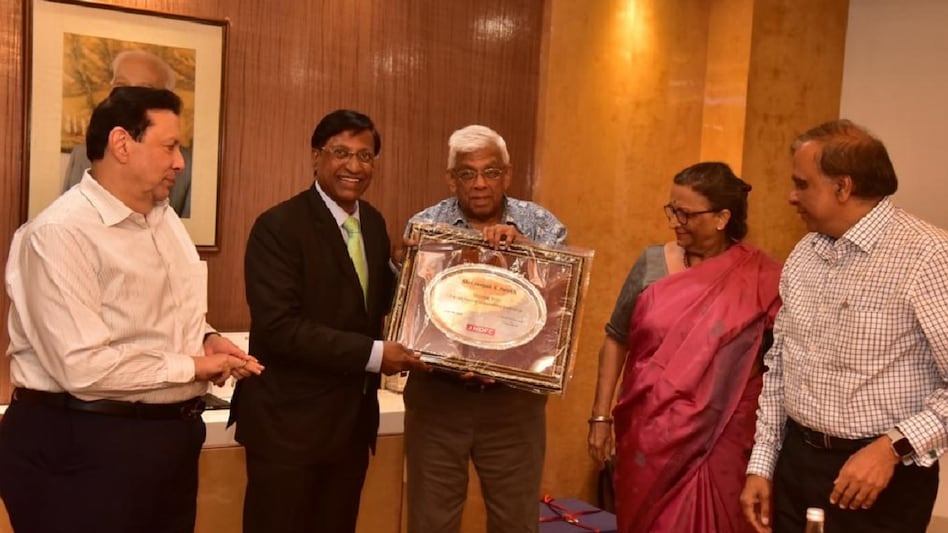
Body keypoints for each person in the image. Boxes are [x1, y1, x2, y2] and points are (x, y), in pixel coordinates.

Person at [0, 86, 261, 533]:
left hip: (167, 442)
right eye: (171, 146)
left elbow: (173, 316)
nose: (180, 163)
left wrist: (208, 338)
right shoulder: (60, 234)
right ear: (122, 144)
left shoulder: (165, 222)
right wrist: (196, 365)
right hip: (80, 447)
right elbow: (82, 368)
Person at [740, 119, 948, 533]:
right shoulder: (804, 254)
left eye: (802, 184)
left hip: (878, 479)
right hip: (797, 464)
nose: (791, 196)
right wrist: (762, 462)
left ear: (843, 187)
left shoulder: (928, 256)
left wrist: (892, 447)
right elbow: (780, 364)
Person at [232, 109, 429, 533]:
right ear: (316, 156)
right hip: (288, 429)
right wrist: (376, 355)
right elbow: (280, 327)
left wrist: (421, 273)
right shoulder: (278, 227)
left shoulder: (373, 224)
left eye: (366, 156)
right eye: (341, 153)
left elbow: (371, 307)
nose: (355, 167)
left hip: (351, 428)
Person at [585, 162, 781, 532]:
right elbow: (616, 338)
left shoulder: (761, 277)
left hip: (721, 437)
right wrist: (600, 417)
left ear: (723, 217)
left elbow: (779, 363)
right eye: (671, 209)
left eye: (686, 213)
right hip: (648, 436)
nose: (674, 221)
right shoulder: (651, 263)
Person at [402, 124, 567, 533]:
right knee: (431, 521)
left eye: (490, 172)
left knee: (515, 521)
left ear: (507, 174)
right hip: (439, 397)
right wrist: (405, 264)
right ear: (450, 178)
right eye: (466, 173)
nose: (479, 184)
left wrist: (526, 252)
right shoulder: (425, 227)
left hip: (513, 404)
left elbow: (561, 306)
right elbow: (411, 316)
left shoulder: (543, 225)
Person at [63, 49, 192, 217]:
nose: (127, 96)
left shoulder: (185, 170)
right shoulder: (81, 156)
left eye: (144, 90)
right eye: (120, 86)